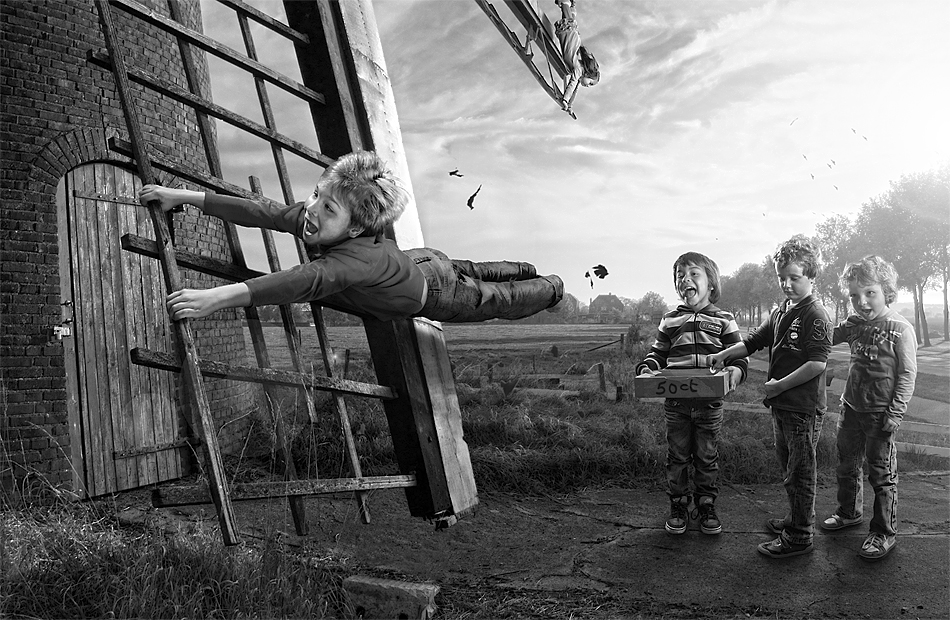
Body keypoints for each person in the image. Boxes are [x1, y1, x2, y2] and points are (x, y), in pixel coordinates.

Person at [137, 151, 562, 323]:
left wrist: (215, 297)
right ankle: (525, 266)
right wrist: (186, 196)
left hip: (433, 291)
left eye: (328, 208)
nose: (312, 209)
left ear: (356, 227)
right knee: (475, 269)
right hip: (420, 262)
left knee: (494, 298)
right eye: (316, 195)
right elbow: (260, 210)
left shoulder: (351, 261)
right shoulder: (317, 221)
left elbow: (303, 281)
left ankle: (552, 287)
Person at [710, 235, 832, 558]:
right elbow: (753, 342)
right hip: (782, 406)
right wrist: (724, 355)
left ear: (811, 275)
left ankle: (800, 536)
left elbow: (817, 364)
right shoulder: (781, 311)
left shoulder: (816, 315)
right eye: (782, 278)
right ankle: (795, 520)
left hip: (802, 408)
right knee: (789, 469)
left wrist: (779, 386)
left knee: (801, 473)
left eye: (795, 278)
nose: (787, 284)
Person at [636, 252, 747, 536]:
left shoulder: (724, 319)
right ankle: (679, 504)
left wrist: (736, 371)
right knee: (677, 456)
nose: (686, 279)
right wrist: (648, 368)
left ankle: (706, 504)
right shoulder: (670, 320)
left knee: (707, 456)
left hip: (710, 403)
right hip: (676, 403)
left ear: (711, 283)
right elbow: (658, 354)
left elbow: (738, 355)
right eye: (680, 276)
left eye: (694, 274)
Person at [822, 256, 917, 561]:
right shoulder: (853, 324)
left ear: (886, 291)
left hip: (880, 415)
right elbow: (825, 337)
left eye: (870, 293)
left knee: (881, 473)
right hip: (850, 408)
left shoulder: (900, 328)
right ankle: (849, 512)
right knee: (847, 465)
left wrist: (896, 412)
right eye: (853, 296)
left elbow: (907, 374)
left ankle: (884, 532)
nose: (861, 302)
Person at [553, 0, 600, 113]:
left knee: (568, 19)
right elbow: (572, 84)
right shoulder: (579, 70)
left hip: (570, 35)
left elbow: (575, 89)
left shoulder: (579, 74)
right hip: (569, 34)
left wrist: (569, 106)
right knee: (565, 12)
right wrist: (565, 100)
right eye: (590, 83)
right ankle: (567, 4)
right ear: (588, 74)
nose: (587, 86)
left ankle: (571, 7)